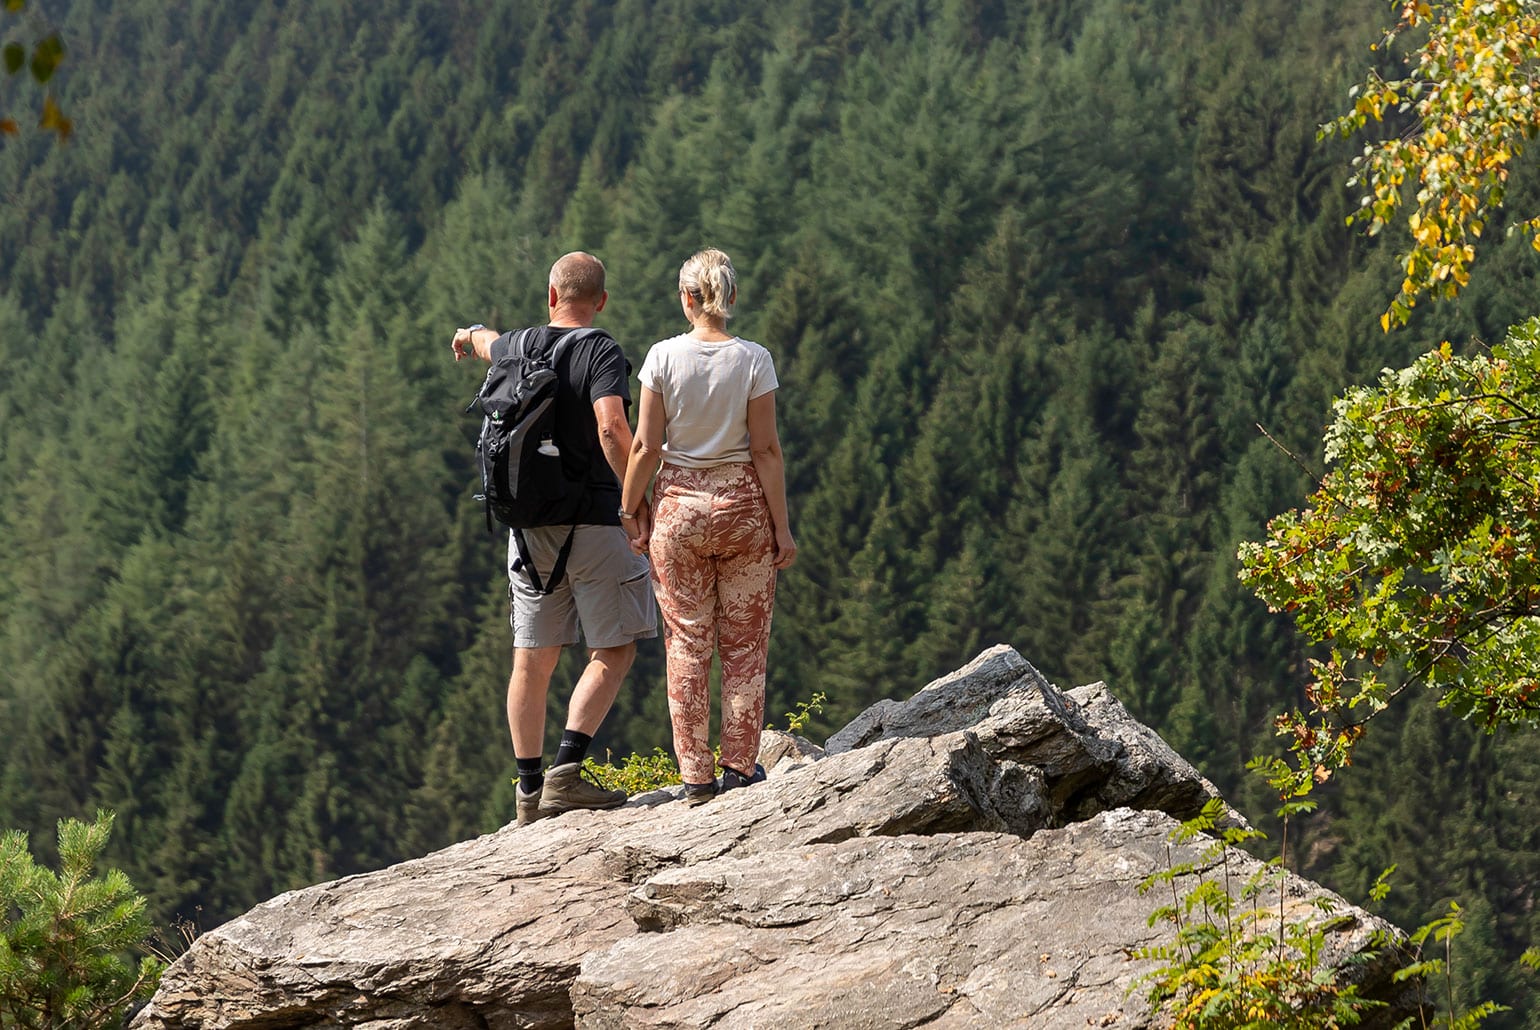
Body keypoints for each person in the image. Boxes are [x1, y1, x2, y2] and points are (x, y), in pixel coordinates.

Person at [452, 251, 657, 827]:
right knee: (613, 648)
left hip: (527, 526)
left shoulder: (520, 345)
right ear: (601, 302)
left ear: (550, 296)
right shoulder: (600, 350)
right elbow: (613, 428)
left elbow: (489, 341)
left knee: (531, 660)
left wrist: (468, 336)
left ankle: (528, 791)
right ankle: (567, 771)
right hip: (594, 521)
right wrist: (636, 498)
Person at [619, 248, 797, 805]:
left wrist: (630, 508)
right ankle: (741, 768)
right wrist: (783, 530)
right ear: (731, 297)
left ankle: (696, 778)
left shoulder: (663, 358)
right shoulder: (754, 360)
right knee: (745, 645)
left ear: (688, 298)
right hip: (744, 510)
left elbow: (646, 445)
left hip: (678, 510)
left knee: (687, 643)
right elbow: (766, 449)